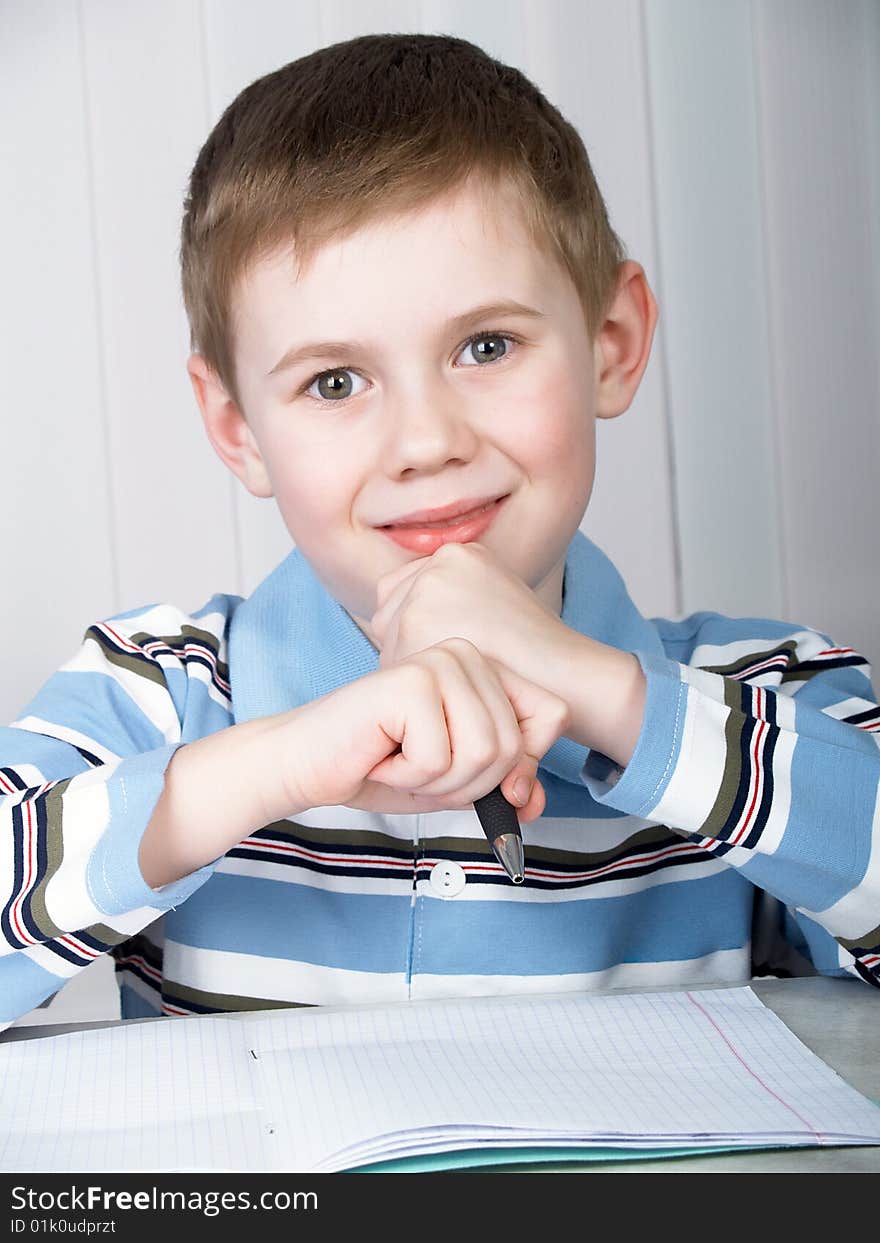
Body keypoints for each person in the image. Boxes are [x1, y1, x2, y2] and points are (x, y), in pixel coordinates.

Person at [1, 33, 877, 1031]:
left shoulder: (764, 698)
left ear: (612, 345)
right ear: (237, 426)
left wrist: (607, 697)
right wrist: (281, 762)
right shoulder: (160, 693)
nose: (424, 442)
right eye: (334, 381)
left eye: (486, 345)